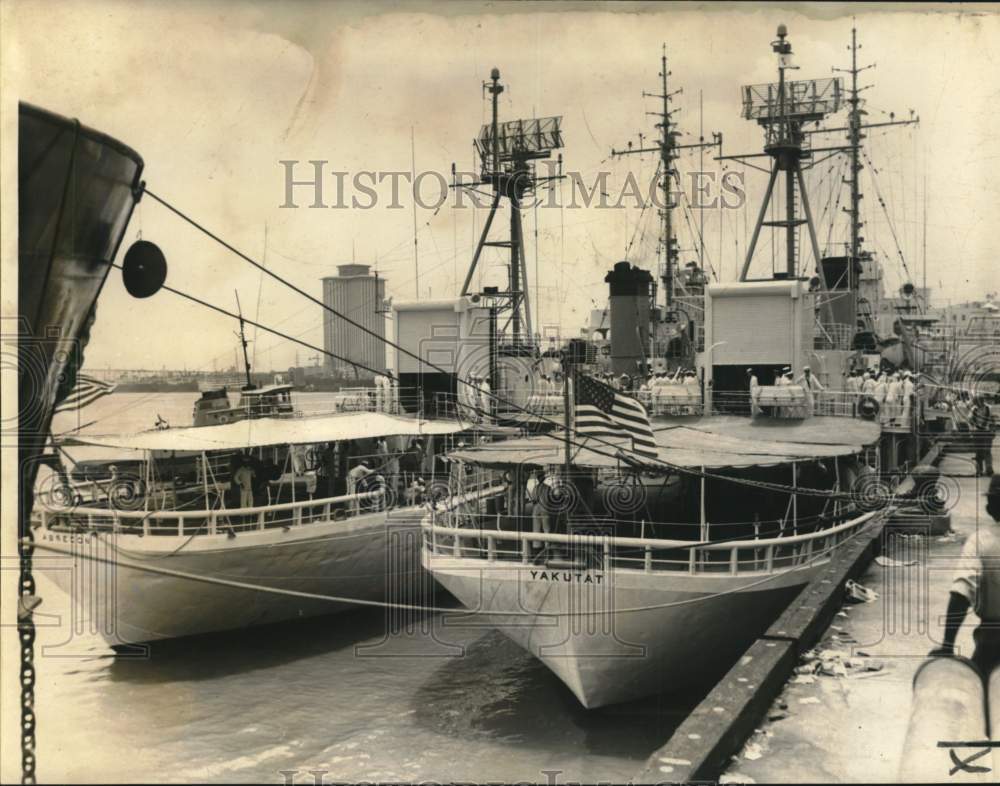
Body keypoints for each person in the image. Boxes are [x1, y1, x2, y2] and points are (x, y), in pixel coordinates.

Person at [932, 475, 1000, 675]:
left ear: (990, 508)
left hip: (993, 642)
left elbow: (961, 593)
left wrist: (947, 645)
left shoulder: (981, 542)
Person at [971, 397, 995, 477]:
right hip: (977, 432)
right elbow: (970, 420)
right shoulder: (973, 409)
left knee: (987, 451)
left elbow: (993, 420)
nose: (978, 403)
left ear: (982, 401)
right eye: (976, 402)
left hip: (987, 432)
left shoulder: (989, 408)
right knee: (978, 452)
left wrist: (993, 431)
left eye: (979, 401)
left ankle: (989, 469)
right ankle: (979, 470)